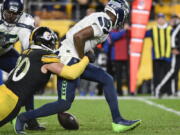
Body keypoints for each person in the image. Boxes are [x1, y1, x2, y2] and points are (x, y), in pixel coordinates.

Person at [15, 0, 141, 133]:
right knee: (64, 103)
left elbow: (78, 35)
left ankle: (118, 120)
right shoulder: (105, 22)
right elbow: (78, 37)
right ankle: (23, 117)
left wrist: (87, 51)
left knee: (107, 79)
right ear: (119, 12)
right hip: (69, 59)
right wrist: (83, 58)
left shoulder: (100, 17)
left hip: (71, 56)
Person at [0, 26, 90, 131]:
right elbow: (71, 73)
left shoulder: (26, 53)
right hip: (10, 101)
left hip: (3, 91)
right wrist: (86, 59)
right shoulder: (44, 56)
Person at [0, 0, 44, 130]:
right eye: (8, 13)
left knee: (26, 77)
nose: (11, 16)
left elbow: (27, 48)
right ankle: (8, 114)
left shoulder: (25, 20)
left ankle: (30, 119)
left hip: (6, 54)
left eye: (15, 14)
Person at [145, 13, 172, 97]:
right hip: (156, 56)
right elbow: (142, 34)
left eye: (162, 18)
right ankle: (156, 91)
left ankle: (168, 91)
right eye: (159, 18)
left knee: (167, 75)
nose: (160, 20)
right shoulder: (153, 29)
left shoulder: (170, 29)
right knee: (156, 75)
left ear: (164, 19)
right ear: (157, 20)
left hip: (167, 56)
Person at [155, 15, 180, 96]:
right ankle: (160, 88)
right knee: (173, 72)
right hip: (177, 52)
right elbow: (173, 37)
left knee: (174, 72)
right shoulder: (177, 27)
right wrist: (174, 48)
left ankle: (173, 91)